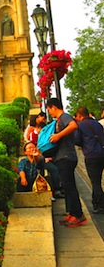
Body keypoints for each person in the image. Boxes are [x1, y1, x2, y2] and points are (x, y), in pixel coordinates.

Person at [48, 97, 87, 227]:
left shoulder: (64, 116)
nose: (49, 113)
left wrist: (58, 135)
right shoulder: (60, 119)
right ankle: (72, 213)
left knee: (70, 187)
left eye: (49, 109)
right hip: (63, 157)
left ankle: (78, 215)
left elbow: (74, 125)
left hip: (66, 157)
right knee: (67, 186)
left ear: (54, 107)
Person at [74, 106, 104, 214]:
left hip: (91, 155)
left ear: (80, 115)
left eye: (77, 117)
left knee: (95, 182)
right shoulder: (98, 124)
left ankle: (99, 204)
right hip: (102, 153)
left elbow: (77, 140)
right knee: (99, 179)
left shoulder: (80, 125)